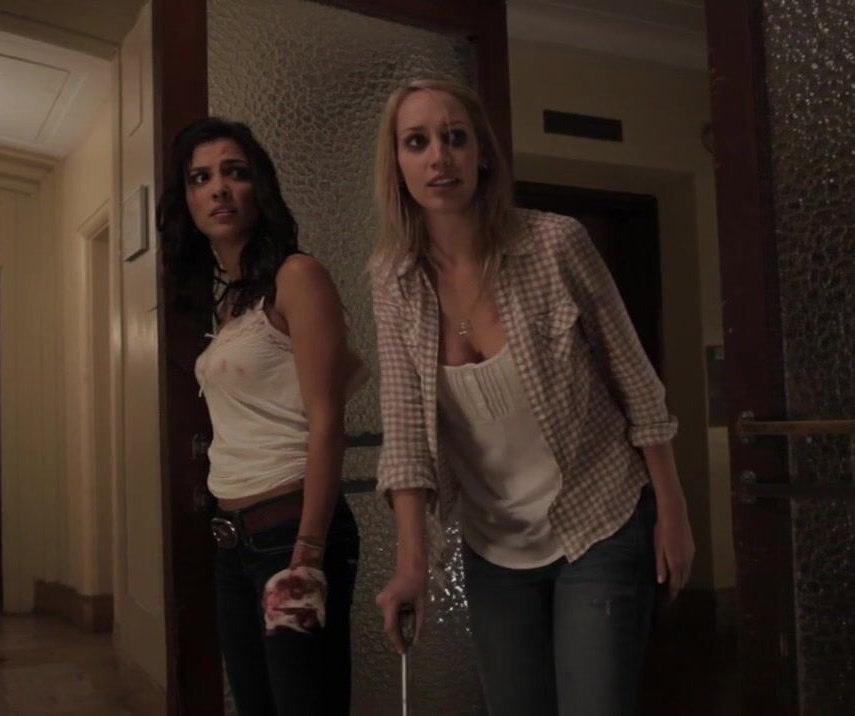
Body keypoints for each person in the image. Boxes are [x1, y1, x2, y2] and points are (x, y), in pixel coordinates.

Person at [369, 80, 696, 716]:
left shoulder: (554, 243)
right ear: (398, 164)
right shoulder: (393, 281)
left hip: (598, 518)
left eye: (455, 138)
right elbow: (405, 431)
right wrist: (411, 563)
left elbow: (635, 378)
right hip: (495, 542)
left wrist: (673, 511)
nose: (439, 157)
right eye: (417, 142)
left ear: (482, 155)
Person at [158, 117, 365, 715]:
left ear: (260, 188)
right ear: (188, 200)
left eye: (235, 172)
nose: (218, 188)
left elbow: (327, 420)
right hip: (233, 540)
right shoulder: (231, 304)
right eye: (201, 178)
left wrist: (308, 552)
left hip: (290, 531)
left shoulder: (297, 276)